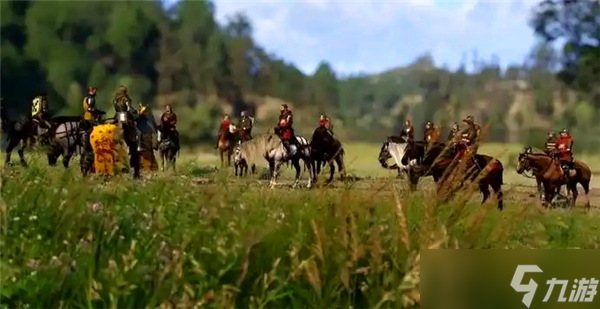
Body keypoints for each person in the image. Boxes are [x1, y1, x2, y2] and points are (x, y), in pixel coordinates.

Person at [112, 85, 142, 151]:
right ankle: (138, 145)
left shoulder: (115, 100)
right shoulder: (126, 99)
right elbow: (129, 109)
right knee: (137, 130)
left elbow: (116, 110)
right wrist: (136, 113)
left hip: (118, 116)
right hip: (126, 117)